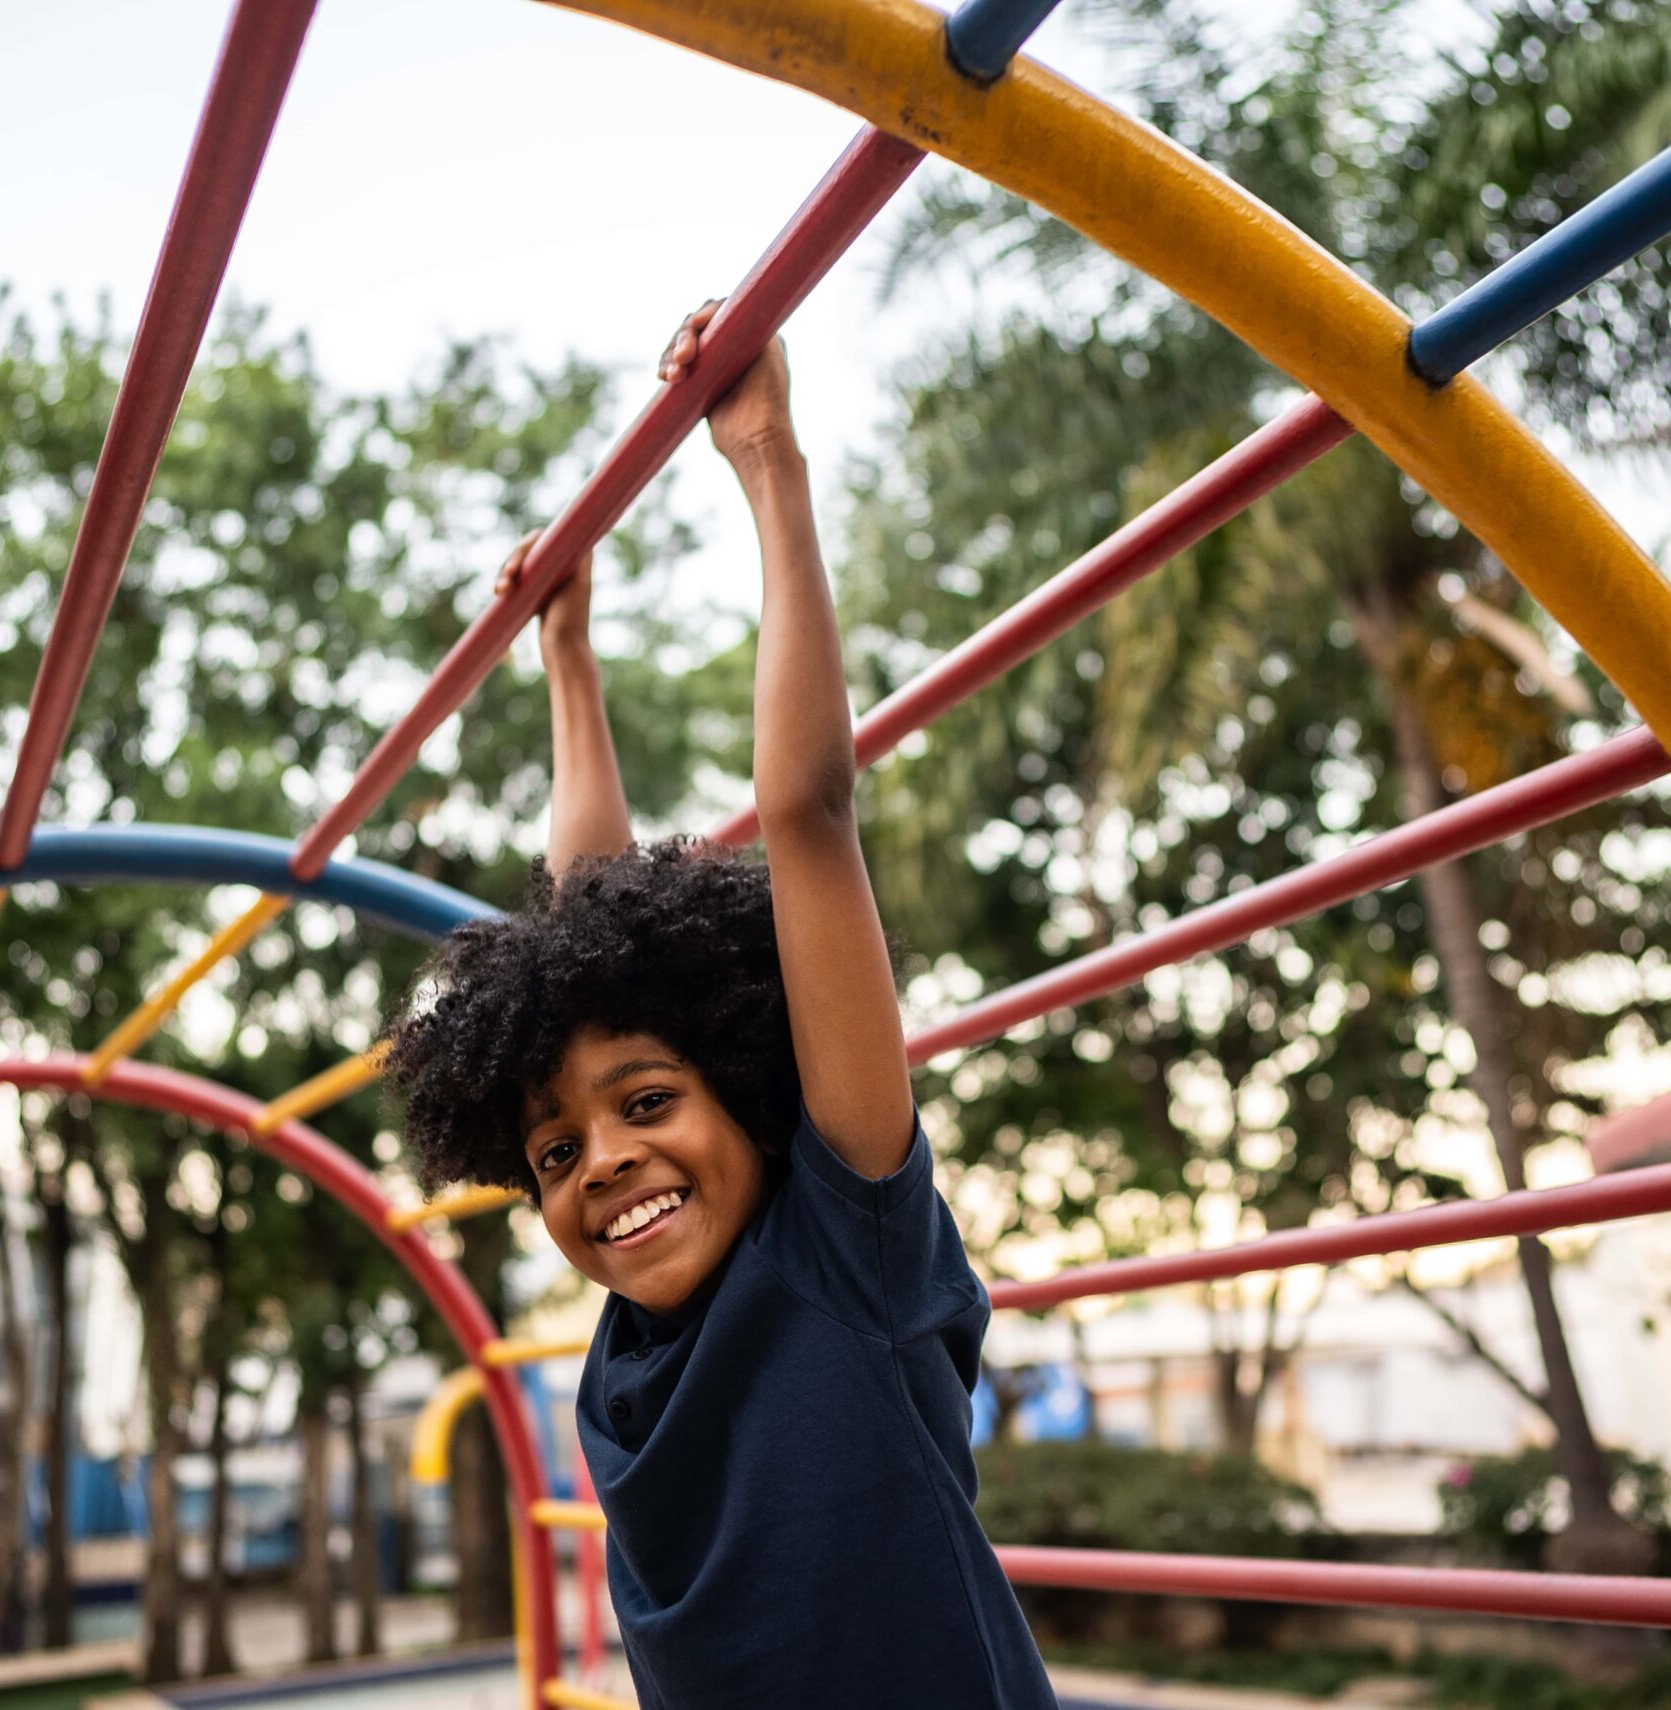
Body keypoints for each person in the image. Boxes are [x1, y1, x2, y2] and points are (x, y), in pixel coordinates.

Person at [384, 301, 1057, 1709]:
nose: (602, 1161)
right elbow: (588, 931)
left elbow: (806, 814)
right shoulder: (634, 1338)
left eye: (647, 1103)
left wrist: (765, 460)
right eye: (556, 1152)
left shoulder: (845, 1249)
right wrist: (568, 659)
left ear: (747, 1091)